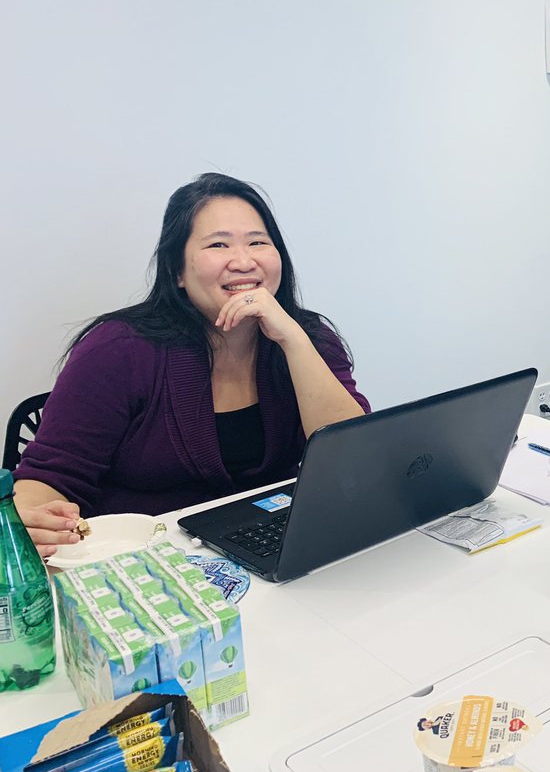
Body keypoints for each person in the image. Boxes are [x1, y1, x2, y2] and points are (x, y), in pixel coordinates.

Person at [15, 174, 370, 556]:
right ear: (177, 272)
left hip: (272, 549)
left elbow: (352, 462)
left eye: (258, 242)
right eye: (219, 244)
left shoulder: (308, 337)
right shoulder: (118, 350)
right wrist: (32, 522)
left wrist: (295, 342)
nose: (244, 261)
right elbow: (47, 478)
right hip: (144, 561)